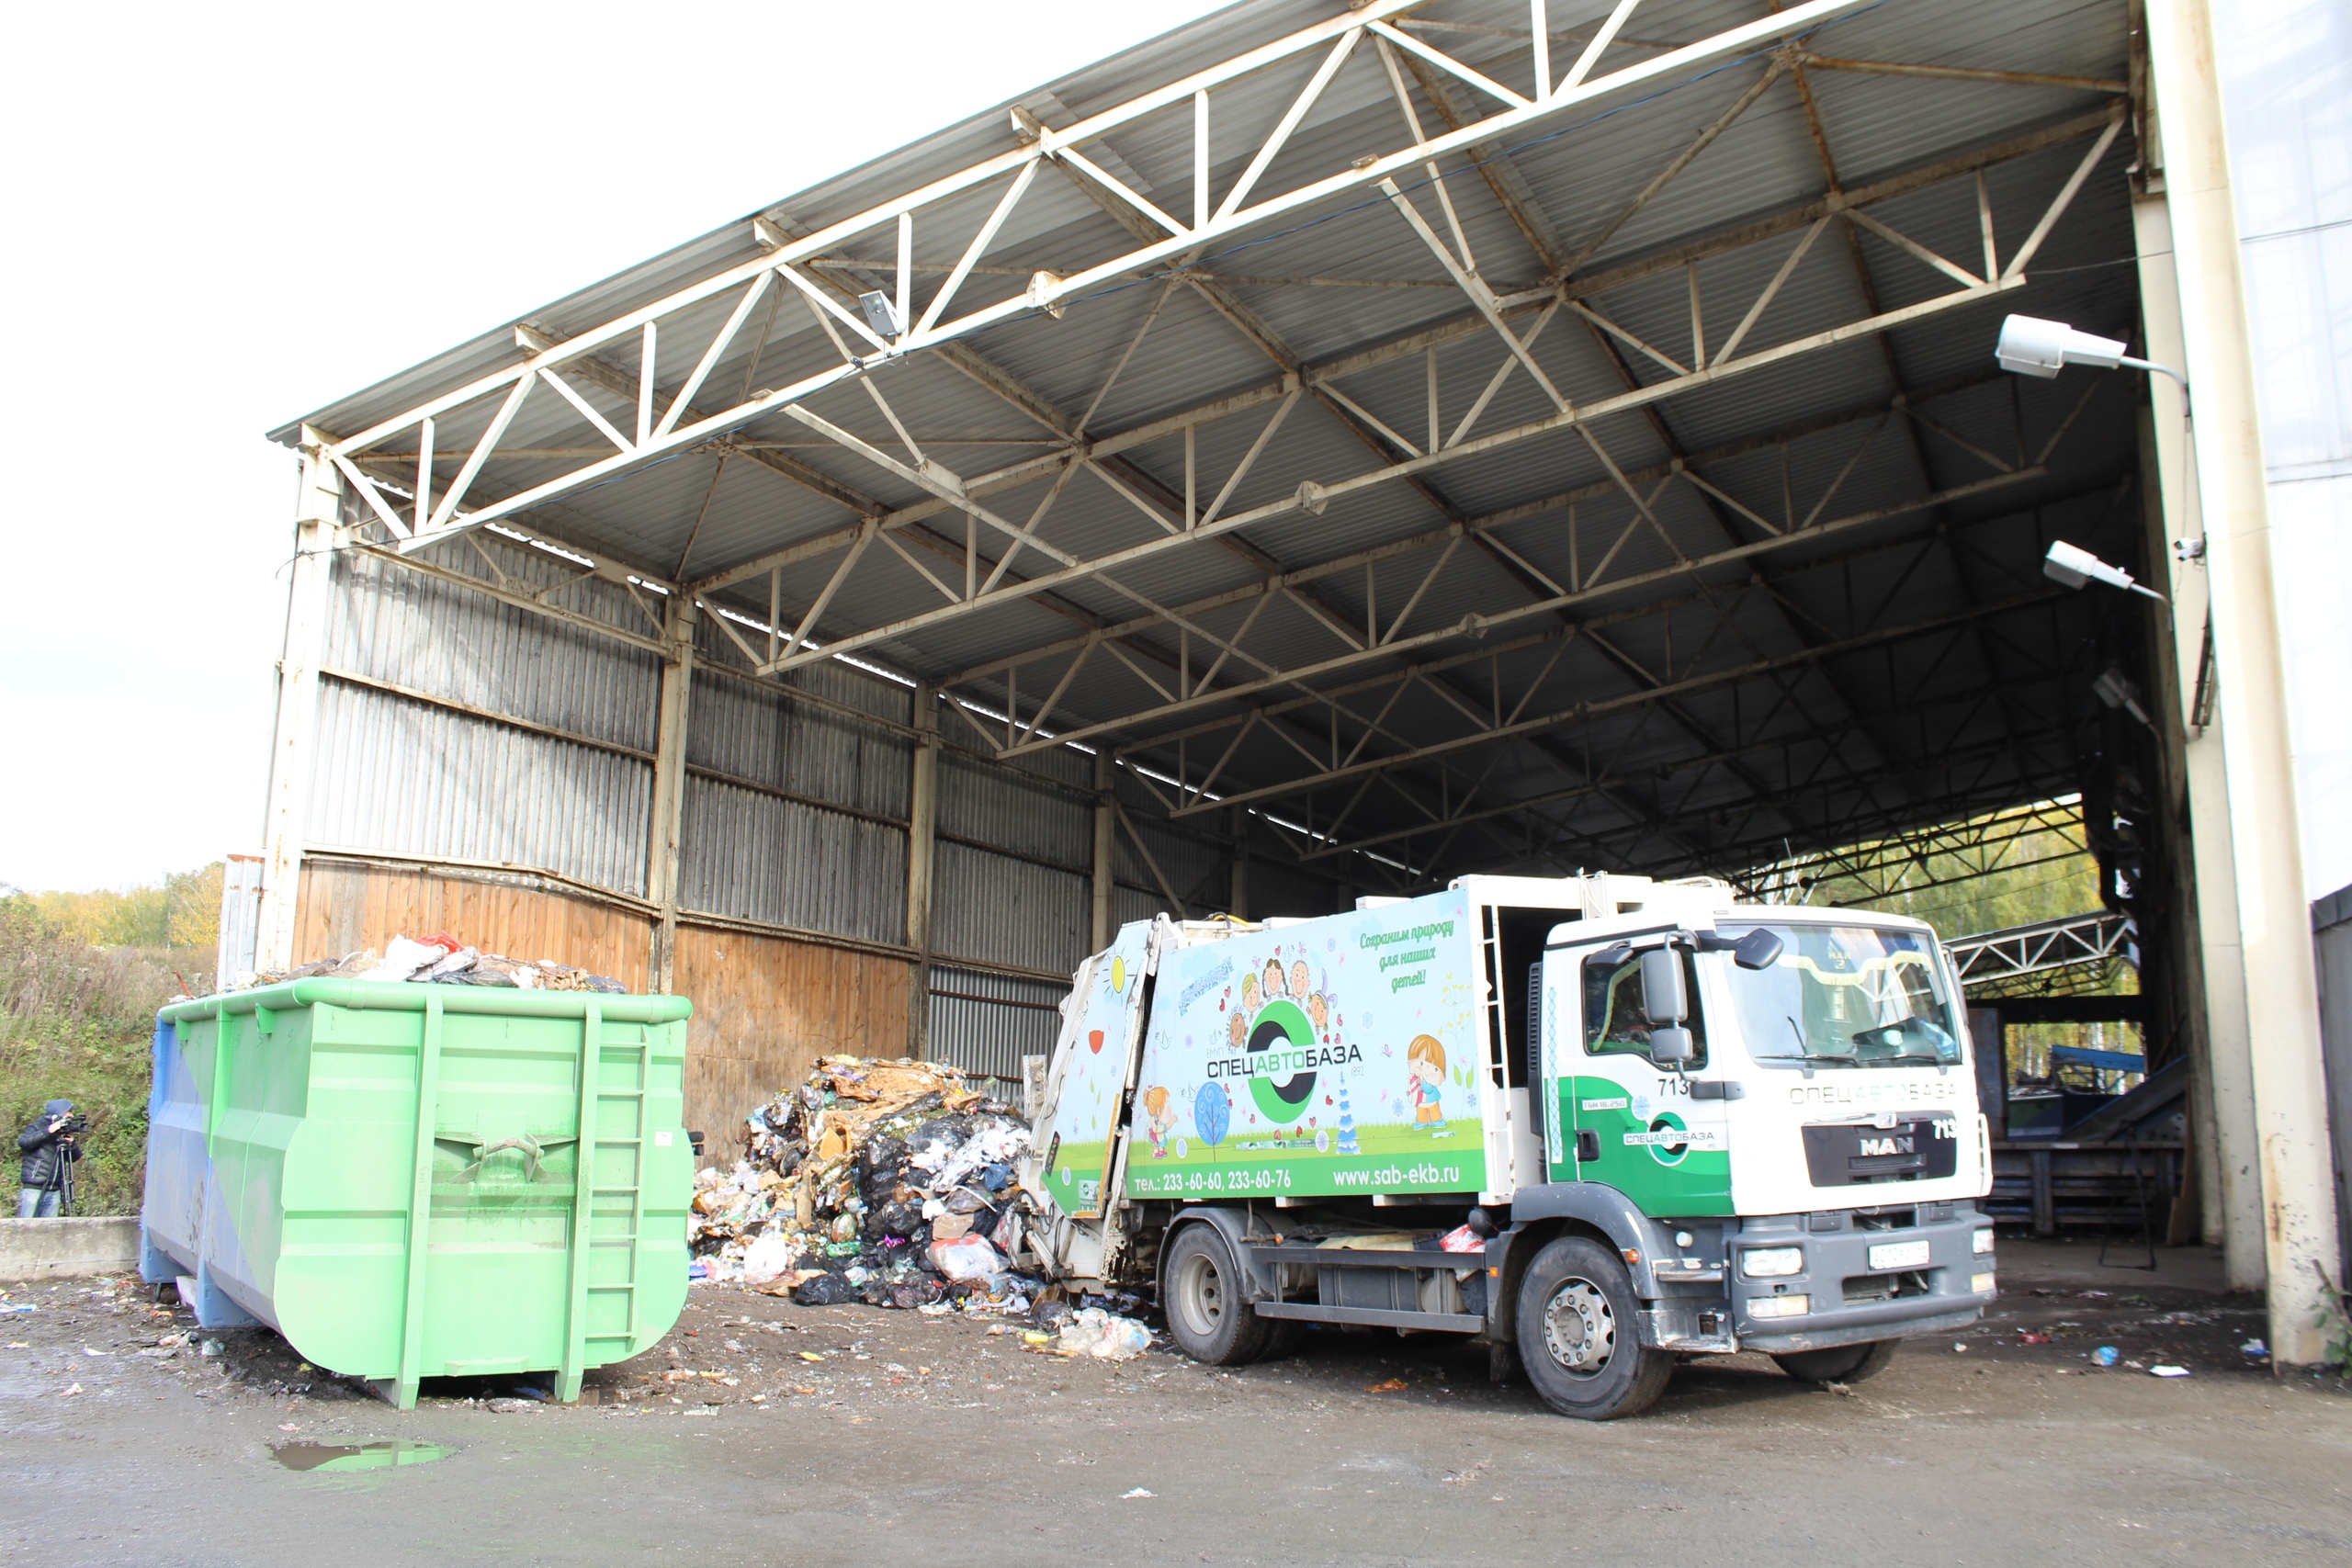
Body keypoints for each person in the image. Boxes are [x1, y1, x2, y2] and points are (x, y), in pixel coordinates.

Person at [17, 1100, 82, 1218]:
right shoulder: (37, 1127)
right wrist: (49, 1131)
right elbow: (23, 1142)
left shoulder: (63, 1132)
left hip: (55, 1188)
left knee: (49, 1229)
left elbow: (75, 1158)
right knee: (25, 1227)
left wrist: (72, 1144)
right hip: (34, 1187)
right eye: (69, 1113)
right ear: (58, 1114)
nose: (72, 1116)